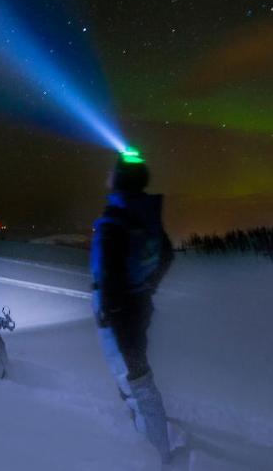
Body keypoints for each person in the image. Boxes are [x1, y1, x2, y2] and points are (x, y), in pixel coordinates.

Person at [92, 148, 177, 466]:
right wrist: (147, 287)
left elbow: (111, 278)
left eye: (113, 173)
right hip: (138, 304)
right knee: (134, 374)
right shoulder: (145, 213)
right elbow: (167, 254)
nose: (107, 177)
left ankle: (156, 453)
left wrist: (112, 315)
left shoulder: (115, 221)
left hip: (120, 314)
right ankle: (146, 436)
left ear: (120, 180)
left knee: (136, 379)